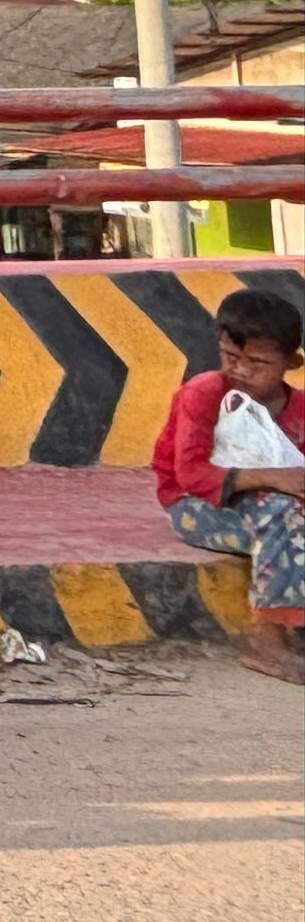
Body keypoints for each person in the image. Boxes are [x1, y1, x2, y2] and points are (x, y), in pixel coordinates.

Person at [152, 288, 305, 681]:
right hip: (197, 507)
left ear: (292, 362)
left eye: (258, 362)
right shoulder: (204, 394)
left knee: (289, 513)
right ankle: (266, 640)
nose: (242, 371)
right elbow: (191, 475)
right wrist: (274, 478)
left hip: (272, 512)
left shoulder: (301, 408)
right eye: (231, 357)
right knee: (283, 513)